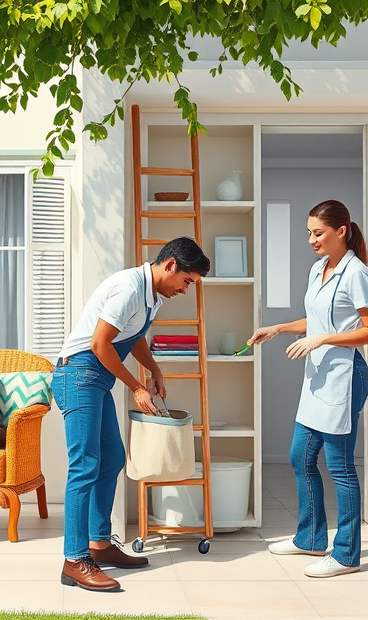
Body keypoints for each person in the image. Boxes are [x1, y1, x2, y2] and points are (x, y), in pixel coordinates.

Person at [54, 237, 210, 592]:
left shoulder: (152, 295)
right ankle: (74, 559)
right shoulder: (128, 288)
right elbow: (100, 344)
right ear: (170, 265)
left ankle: (99, 543)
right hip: (78, 374)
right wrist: (135, 387)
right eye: (186, 282)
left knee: (110, 460)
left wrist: (153, 369)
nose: (185, 290)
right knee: (84, 465)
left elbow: (133, 335)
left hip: (96, 379)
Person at [249, 200, 368, 578]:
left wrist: (323, 339)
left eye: (318, 232)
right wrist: (277, 328)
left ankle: (346, 556)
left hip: (345, 375)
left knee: (339, 467)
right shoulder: (318, 269)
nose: (311, 239)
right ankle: (309, 538)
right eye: (309, 232)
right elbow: (315, 319)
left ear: (341, 231)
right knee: (300, 457)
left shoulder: (357, 273)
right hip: (318, 377)